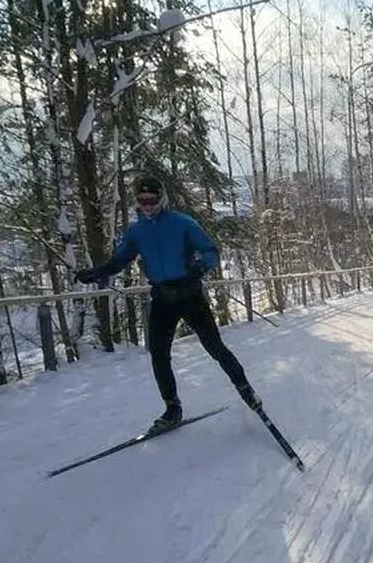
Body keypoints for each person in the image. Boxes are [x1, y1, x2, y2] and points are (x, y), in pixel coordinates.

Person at [74, 175, 262, 431]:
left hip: (189, 294)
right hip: (162, 298)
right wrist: (96, 273)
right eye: (142, 202)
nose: (147, 206)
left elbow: (211, 251)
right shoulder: (136, 231)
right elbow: (120, 260)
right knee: (159, 355)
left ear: (161, 198)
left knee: (215, 347)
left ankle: (247, 391)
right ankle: (172, 408)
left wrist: (200, 267)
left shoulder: (182, 223)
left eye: (151, 200)